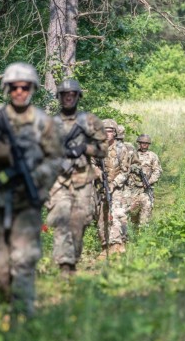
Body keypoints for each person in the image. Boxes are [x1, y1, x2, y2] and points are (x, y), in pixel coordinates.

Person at [0, 62, 62, 316]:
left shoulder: (43, 122)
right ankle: (5, 308)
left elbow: (55, 160)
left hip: (28, 199)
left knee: (24, 258)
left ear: (32, 88)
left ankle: (24, 315)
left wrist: (35, 175)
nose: (19, 91)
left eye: (25, 87)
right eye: (15, 87)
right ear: (8, 88)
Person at [46, 79, 107, 275]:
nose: (69, 97)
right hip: (59, 180)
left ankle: (73, 260)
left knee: (79, 222)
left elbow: (103, 149)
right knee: (61, 218)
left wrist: (84, 148)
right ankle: (64, 264)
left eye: (72, 94)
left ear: (78, 96)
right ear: (60, 97)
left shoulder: (90, 121)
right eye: (65, 94)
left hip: (82, 179)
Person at [96, 119, 140, 256]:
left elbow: (125, 171)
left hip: (118, 188)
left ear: (114, 133)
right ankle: (105, 246)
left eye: (110, 131)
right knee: (101, 217)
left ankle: (116, 245)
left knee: (116, 215)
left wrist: (113, 184)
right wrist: (98, 174)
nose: (107, 134)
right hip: (100, 186)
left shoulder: (122, 149)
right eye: (104, 131)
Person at [128, 134, 162, 227]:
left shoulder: (152, 156)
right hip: (133, 187)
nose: (144, 145)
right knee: (132, 211)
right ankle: (134, 230)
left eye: (146, 143)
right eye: (142, 143)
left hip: (146, 188)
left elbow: (157, 171)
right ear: (139, 143)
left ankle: (143, 231)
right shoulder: (132, 155)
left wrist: (149, 181)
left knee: (147, 207)